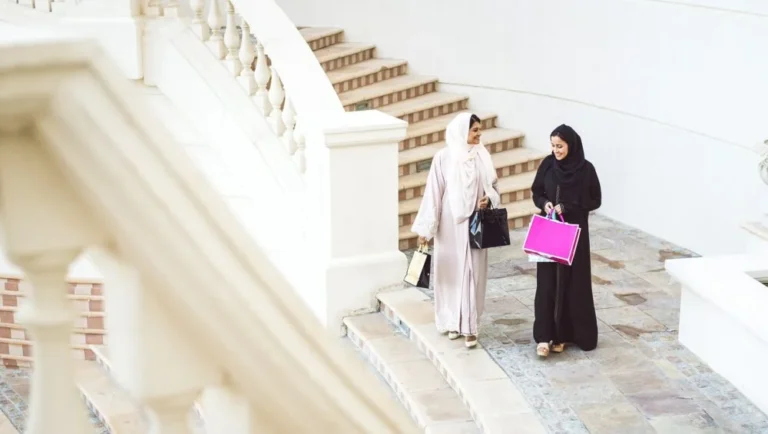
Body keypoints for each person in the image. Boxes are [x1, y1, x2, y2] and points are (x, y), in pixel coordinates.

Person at [411, 113, 500, 348]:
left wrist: (488, 199)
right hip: (449, 224)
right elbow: (434, 192)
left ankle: (470, 326)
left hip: (475, 223)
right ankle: (452, 321)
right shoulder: (444, 157)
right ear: (462, 132)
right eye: (475, 130)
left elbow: (493, 187)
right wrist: (426, 229)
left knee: (473, 274)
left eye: (480, 130)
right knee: (451, 275)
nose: (479, 134)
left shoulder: (482, 156)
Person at [531, 124, 602, 357]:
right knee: (547, 283)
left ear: (571, 144)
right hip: (551, 231)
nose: (556, 150)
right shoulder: (548, 165)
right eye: (552, 146)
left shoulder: (586, 170)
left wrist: (569, 206)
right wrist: (545, 204)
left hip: (574, 234)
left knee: (572, 283)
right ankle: (544, 336)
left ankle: (563, 335)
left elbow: (594, 200)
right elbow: (537, 191)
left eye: (560, 146)